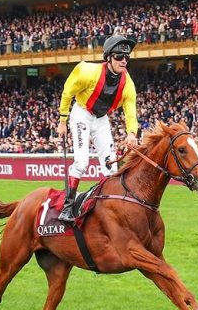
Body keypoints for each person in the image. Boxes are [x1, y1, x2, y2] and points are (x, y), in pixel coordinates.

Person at [56, 34, 139, 223]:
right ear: (108, 57)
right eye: (119, 56)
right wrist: (62, 120)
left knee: (110, 166)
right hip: (82, 113)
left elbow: (130, 111)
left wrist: (132, 132)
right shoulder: (87, 72)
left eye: (127, 57)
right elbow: (68, 92)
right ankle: (67, 208)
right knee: (82, 162)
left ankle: (111, 207)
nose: (123, 60)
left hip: (101, 119)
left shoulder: (128, 84)